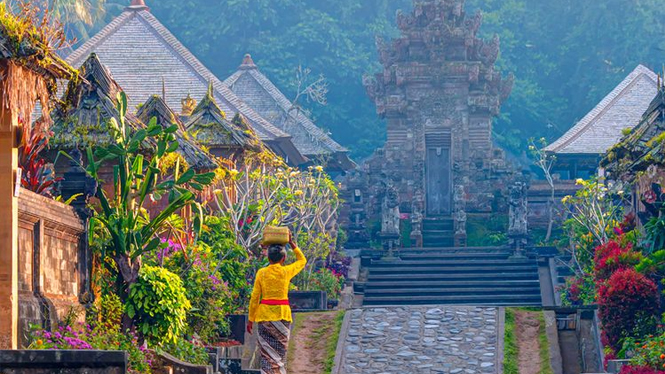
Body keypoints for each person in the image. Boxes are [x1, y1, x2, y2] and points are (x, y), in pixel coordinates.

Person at [247, 231, 306, 374]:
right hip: (282, 316)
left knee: (266, 355)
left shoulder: (261, 273)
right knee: (280, 355)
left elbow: (255, 297)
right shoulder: (286, 272)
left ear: (268, 257)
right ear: (284, 258)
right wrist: (292, 244)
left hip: (264, 317)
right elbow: (302, 261)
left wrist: (250, 319)